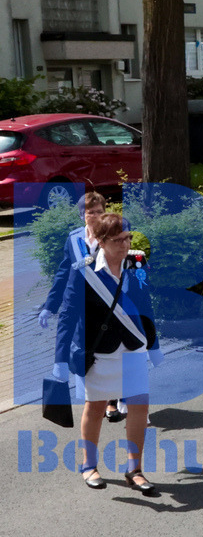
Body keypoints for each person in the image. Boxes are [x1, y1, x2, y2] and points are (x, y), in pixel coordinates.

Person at [54, 213, 161, 493]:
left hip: (133, 347)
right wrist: (60, 359)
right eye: (117, 240)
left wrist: (154, 345)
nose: (125, 245)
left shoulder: (136, 264)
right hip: (99, 350)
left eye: (128, 238)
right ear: (101, 241)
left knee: (140, 406)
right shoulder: (84, 270)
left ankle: (134, 470)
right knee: (96, 407)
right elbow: (68, 315)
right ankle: (89, 465)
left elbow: (145, 306)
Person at [39, 193, 128, 424]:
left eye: (100, 211)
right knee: (90, 350)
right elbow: (63, 274)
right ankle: (99, 401)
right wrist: (50, 306)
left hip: (110, 304)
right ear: (82, 215)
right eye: (91, 212)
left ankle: (113, 400)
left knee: (112, 348)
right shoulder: (74, 239)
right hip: (83, 307)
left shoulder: (114, 233)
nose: (96, 216)